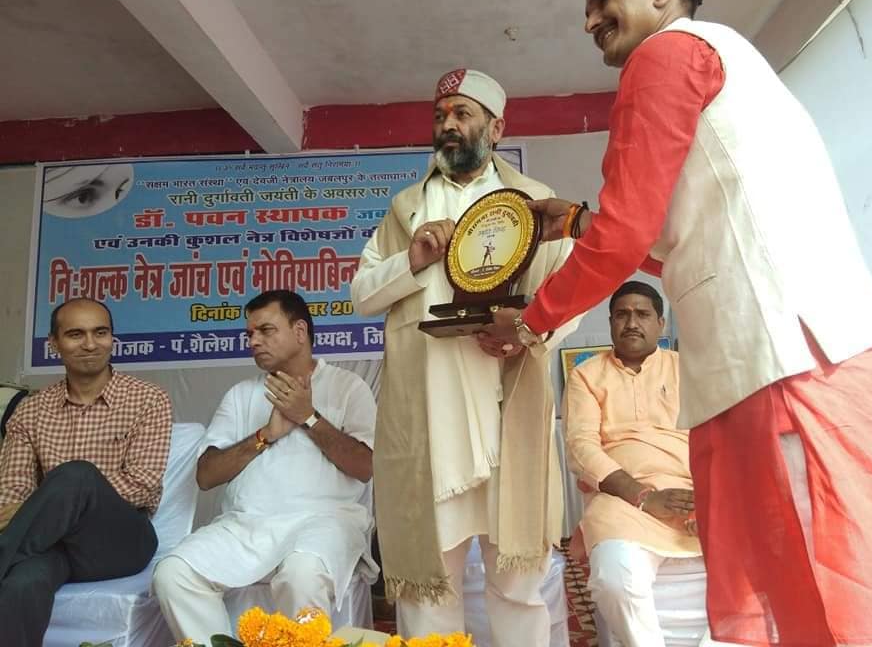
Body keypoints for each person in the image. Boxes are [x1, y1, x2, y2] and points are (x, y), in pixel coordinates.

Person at [488, 0, 872, 645]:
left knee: (832, 592)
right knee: (836, 584)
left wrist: (530, 322)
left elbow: (627, 231)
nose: (589, 21)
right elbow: (686, 240)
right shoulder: (736, 62)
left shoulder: (665, 55)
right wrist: (579, 221)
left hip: (782, 365)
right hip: (815, 349)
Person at [351, 68, 578, 645]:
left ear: (496, 128)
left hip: (507, 410)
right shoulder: (407, 209)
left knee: (517, 586)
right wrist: (414, 259)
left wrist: (528, 334)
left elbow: (572, 294)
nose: (447, 125)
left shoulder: (535, 202)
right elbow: (361, 296)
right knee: (430, 591)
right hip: (432, 420)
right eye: (440, 116)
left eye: (462, 113)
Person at [153, 290, 377, 643]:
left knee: (301, 575)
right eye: (250, 334)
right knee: (173, 573)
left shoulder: (348, 387)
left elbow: (365, 466)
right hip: (246, 525)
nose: (254, 341)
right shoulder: (241, 394)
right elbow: (206, 475)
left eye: (266, 330)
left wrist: (308, 417)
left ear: (300, 331)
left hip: (325, 522)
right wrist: (265, 435)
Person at [0, 297, 172, 647]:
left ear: (112, 339)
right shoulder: (31, 411)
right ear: (54, 343)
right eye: (76, 334)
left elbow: (141, 485)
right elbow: (12, 493)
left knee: (77, 475)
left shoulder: (148, 399)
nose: (91, 344)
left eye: (100, 333)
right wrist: (45, 506)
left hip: (121, 541)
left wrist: (55, 499)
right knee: (22, 583)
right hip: (51, 543)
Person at [564, 281, 698, 647]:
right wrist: (643, 496)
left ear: (660, 323)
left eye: (642, 314)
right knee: (615, 579)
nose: (632, 323)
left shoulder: (687, 369)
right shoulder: (586, 375)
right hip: (622, 500)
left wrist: (710, 498)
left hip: (691, 492)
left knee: (759, 573)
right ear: (610, 323)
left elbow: (716, 438)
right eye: (621, 315)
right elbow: (581, 447)